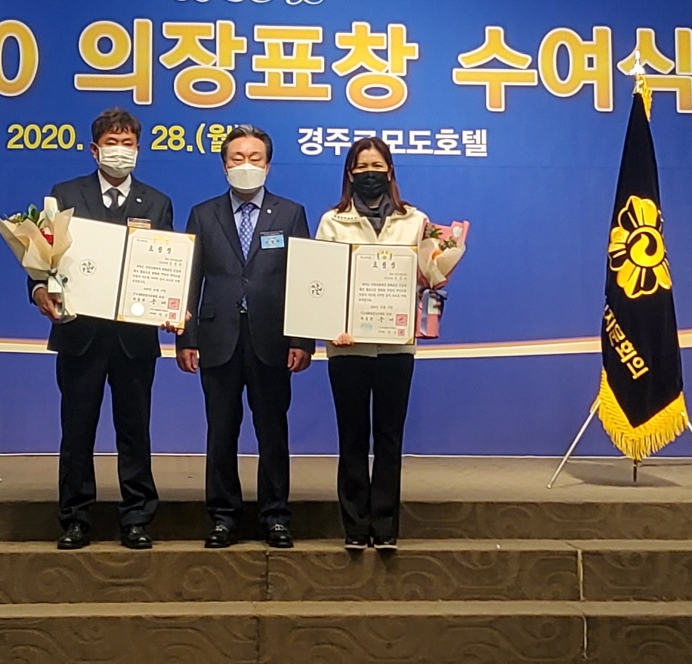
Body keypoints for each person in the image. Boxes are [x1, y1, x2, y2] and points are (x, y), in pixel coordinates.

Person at [31, 108, 173, 551]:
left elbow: (167, 265)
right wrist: (39, 290)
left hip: (134, 339)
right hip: (80, 334)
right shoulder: (65, 194)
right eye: (112, 143)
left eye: (128, 144)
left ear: (139, 149)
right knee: (77, 431)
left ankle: (137, 518)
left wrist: (171, 303)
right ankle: (75, 518)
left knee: (135, 432)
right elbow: (42, 259)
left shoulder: (157, 202)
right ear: (95, 150)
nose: (120, 151)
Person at [177, 124, 313, 549]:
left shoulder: (290, 213)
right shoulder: (203, 214)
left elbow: (305, 280)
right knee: (221, 432)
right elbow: (189, 279)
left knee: (272, 432)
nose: (246, 165)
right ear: (224, 166)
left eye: (255, 158)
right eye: (237, 158)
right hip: (218, 338)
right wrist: (186, 338)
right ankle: (223, 517)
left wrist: (302, 339)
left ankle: (275, 517)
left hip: (272, 339)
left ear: (268, 165)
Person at [314, 136, 427, 552]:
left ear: (390, 171)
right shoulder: (333, 221)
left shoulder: (415, 221)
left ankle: (386, 525)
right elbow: (320, 282)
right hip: (348, 346)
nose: (369, 173)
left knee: (390, 437)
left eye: (377, 166)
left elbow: (427, 277)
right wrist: (331, 324)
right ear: (349, 173)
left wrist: (431, 281)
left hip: (397, 346)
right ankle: (355, 526)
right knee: (352, 436)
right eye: (361, 167)